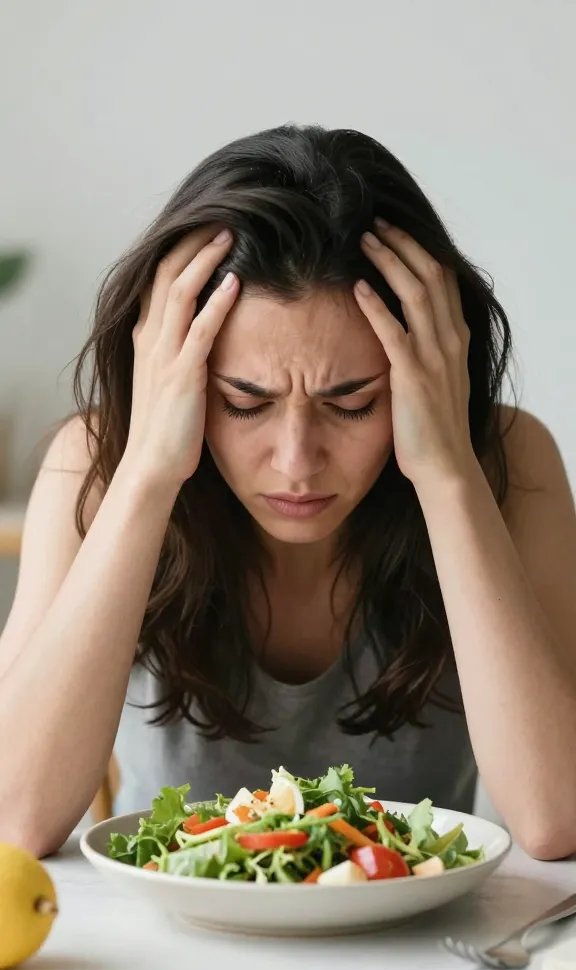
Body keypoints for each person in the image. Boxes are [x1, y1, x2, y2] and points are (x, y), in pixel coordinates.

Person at [1, 123, 575, 861]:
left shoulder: (505, 463)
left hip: (420, 959)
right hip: (167, 958)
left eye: (353, 402)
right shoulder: (95, 463)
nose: (298, 462)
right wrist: (146, 469)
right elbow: (15, 818)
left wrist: (449, 473)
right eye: (244, 403)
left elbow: (556, 817)